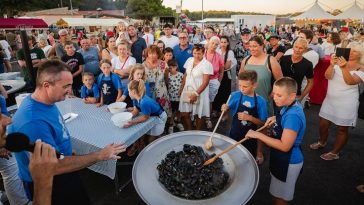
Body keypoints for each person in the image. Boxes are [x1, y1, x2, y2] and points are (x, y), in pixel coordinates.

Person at [8, 59, 126, 204]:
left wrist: (68, 151)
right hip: (52, 183)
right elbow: (54, 166)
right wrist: (100, 155)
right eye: (66, 86)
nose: (70, 90)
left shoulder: (47, 102)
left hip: (64, 171)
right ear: (46, 85)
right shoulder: (33, 122)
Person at [245, 77, 306, 205]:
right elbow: (284, 115)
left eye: (279, 95)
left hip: (288, 162)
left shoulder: (293, 116)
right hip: (280, 159)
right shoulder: (290, 104)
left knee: (280, 199)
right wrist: (275, 118)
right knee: (277, 194)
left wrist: (258, 135)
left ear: (292, 96)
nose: (274, 97)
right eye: (274, 93)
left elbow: (285, 146)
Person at [310, 42, 364, 160]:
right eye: (350, 49)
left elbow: (350, 81)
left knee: (342, 129)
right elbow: (327, 76)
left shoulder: (361, 68)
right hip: (330, 100)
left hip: (347, 102)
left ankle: (335, 153)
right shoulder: (338, 62)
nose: (351, 52)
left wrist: (343, 67)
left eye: (354, 51)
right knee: (323, 124)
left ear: (360, 54)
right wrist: (331, 65)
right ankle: (322, 142)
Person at [240, 36, 283, 164]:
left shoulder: (271, 60)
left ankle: (259, 151)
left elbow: (280, 81)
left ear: (262, 45)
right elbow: (241, 78)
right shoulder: (246, 60)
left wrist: (272, 95)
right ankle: (245, 148)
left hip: (263, 101)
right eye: (250, 46)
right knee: (245, 124)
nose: (252, 48)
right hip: (247, 100)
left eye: (255, 46)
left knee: (262, 126)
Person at [222, 70, 268, 155]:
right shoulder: (235, 95)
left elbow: (263, 124)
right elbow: (227, 112)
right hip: (234, 134)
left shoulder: (261, 101)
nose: (241, 89)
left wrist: (250, 118)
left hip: (251, 138)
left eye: (245, 86)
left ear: (254, 85)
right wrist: (225, 108)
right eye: (239, 85)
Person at [179, 44, 213, 130]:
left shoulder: (207, 64)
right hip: (187, 90)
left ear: (203, 53)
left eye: (199, 53)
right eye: (194, 53)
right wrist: (181, 88)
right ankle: (190, 130)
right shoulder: (189, 60)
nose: (196, 56)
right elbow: (186, 75)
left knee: (199, 114)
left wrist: (196, 94)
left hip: (200, 91)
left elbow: (206, 82)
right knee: (185, 113)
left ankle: (197, 132)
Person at [143, 45, 173, 133]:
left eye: (155, 53)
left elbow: (167, 78)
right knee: (152, 111)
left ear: (158, 54)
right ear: (147, 54)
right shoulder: (143, 64)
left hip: (161, 92)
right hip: (149, 93)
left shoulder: (163, 64)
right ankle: (154, 129)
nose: (152, 55)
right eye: (150, 53)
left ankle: (167, 126)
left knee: (165, 109)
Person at [280, 38, 314, 105]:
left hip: (295, 95)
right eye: (296, 47)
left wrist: (302, 96)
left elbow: (310, 82)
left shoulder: (308, 64)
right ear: (293, 47)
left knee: (292, 114)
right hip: (280, 93)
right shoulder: (283, 58)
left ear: (305, 50)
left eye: (301, 48)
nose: (297, 50)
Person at [214, 35, 237, 119]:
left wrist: (218, 66)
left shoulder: (230, 52)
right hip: (217, 74)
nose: (223, 44)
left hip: (226, 75)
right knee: (217, 92)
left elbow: (227, 66)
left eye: (225, 42)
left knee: (225, 93)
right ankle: (216, 110)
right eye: (221, 42)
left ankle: (224, 113)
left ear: (227, 43)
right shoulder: (217, 50)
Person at [204, 36, 224, 128]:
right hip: (202, 80)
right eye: (213, 43)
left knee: (210, 101)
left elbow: (221, 70)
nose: (214, 45)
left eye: (216, 44)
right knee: (200, 99)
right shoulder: (202, 53)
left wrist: (218, 82)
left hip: (213, 81)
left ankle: (208, 119)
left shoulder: (219, 56)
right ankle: (197, 117)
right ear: (209, 43)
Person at [167, 59, 184, 132]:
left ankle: (178, 121)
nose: (171, 69)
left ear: (176, 67)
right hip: (170, 96)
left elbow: (183, 84)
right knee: (171, 111)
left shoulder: (180, 74)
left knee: (179, 109)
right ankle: (171, 123)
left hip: (179, 97)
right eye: (170, 68)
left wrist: (181, 90)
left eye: (173, 67)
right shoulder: (167, 75)